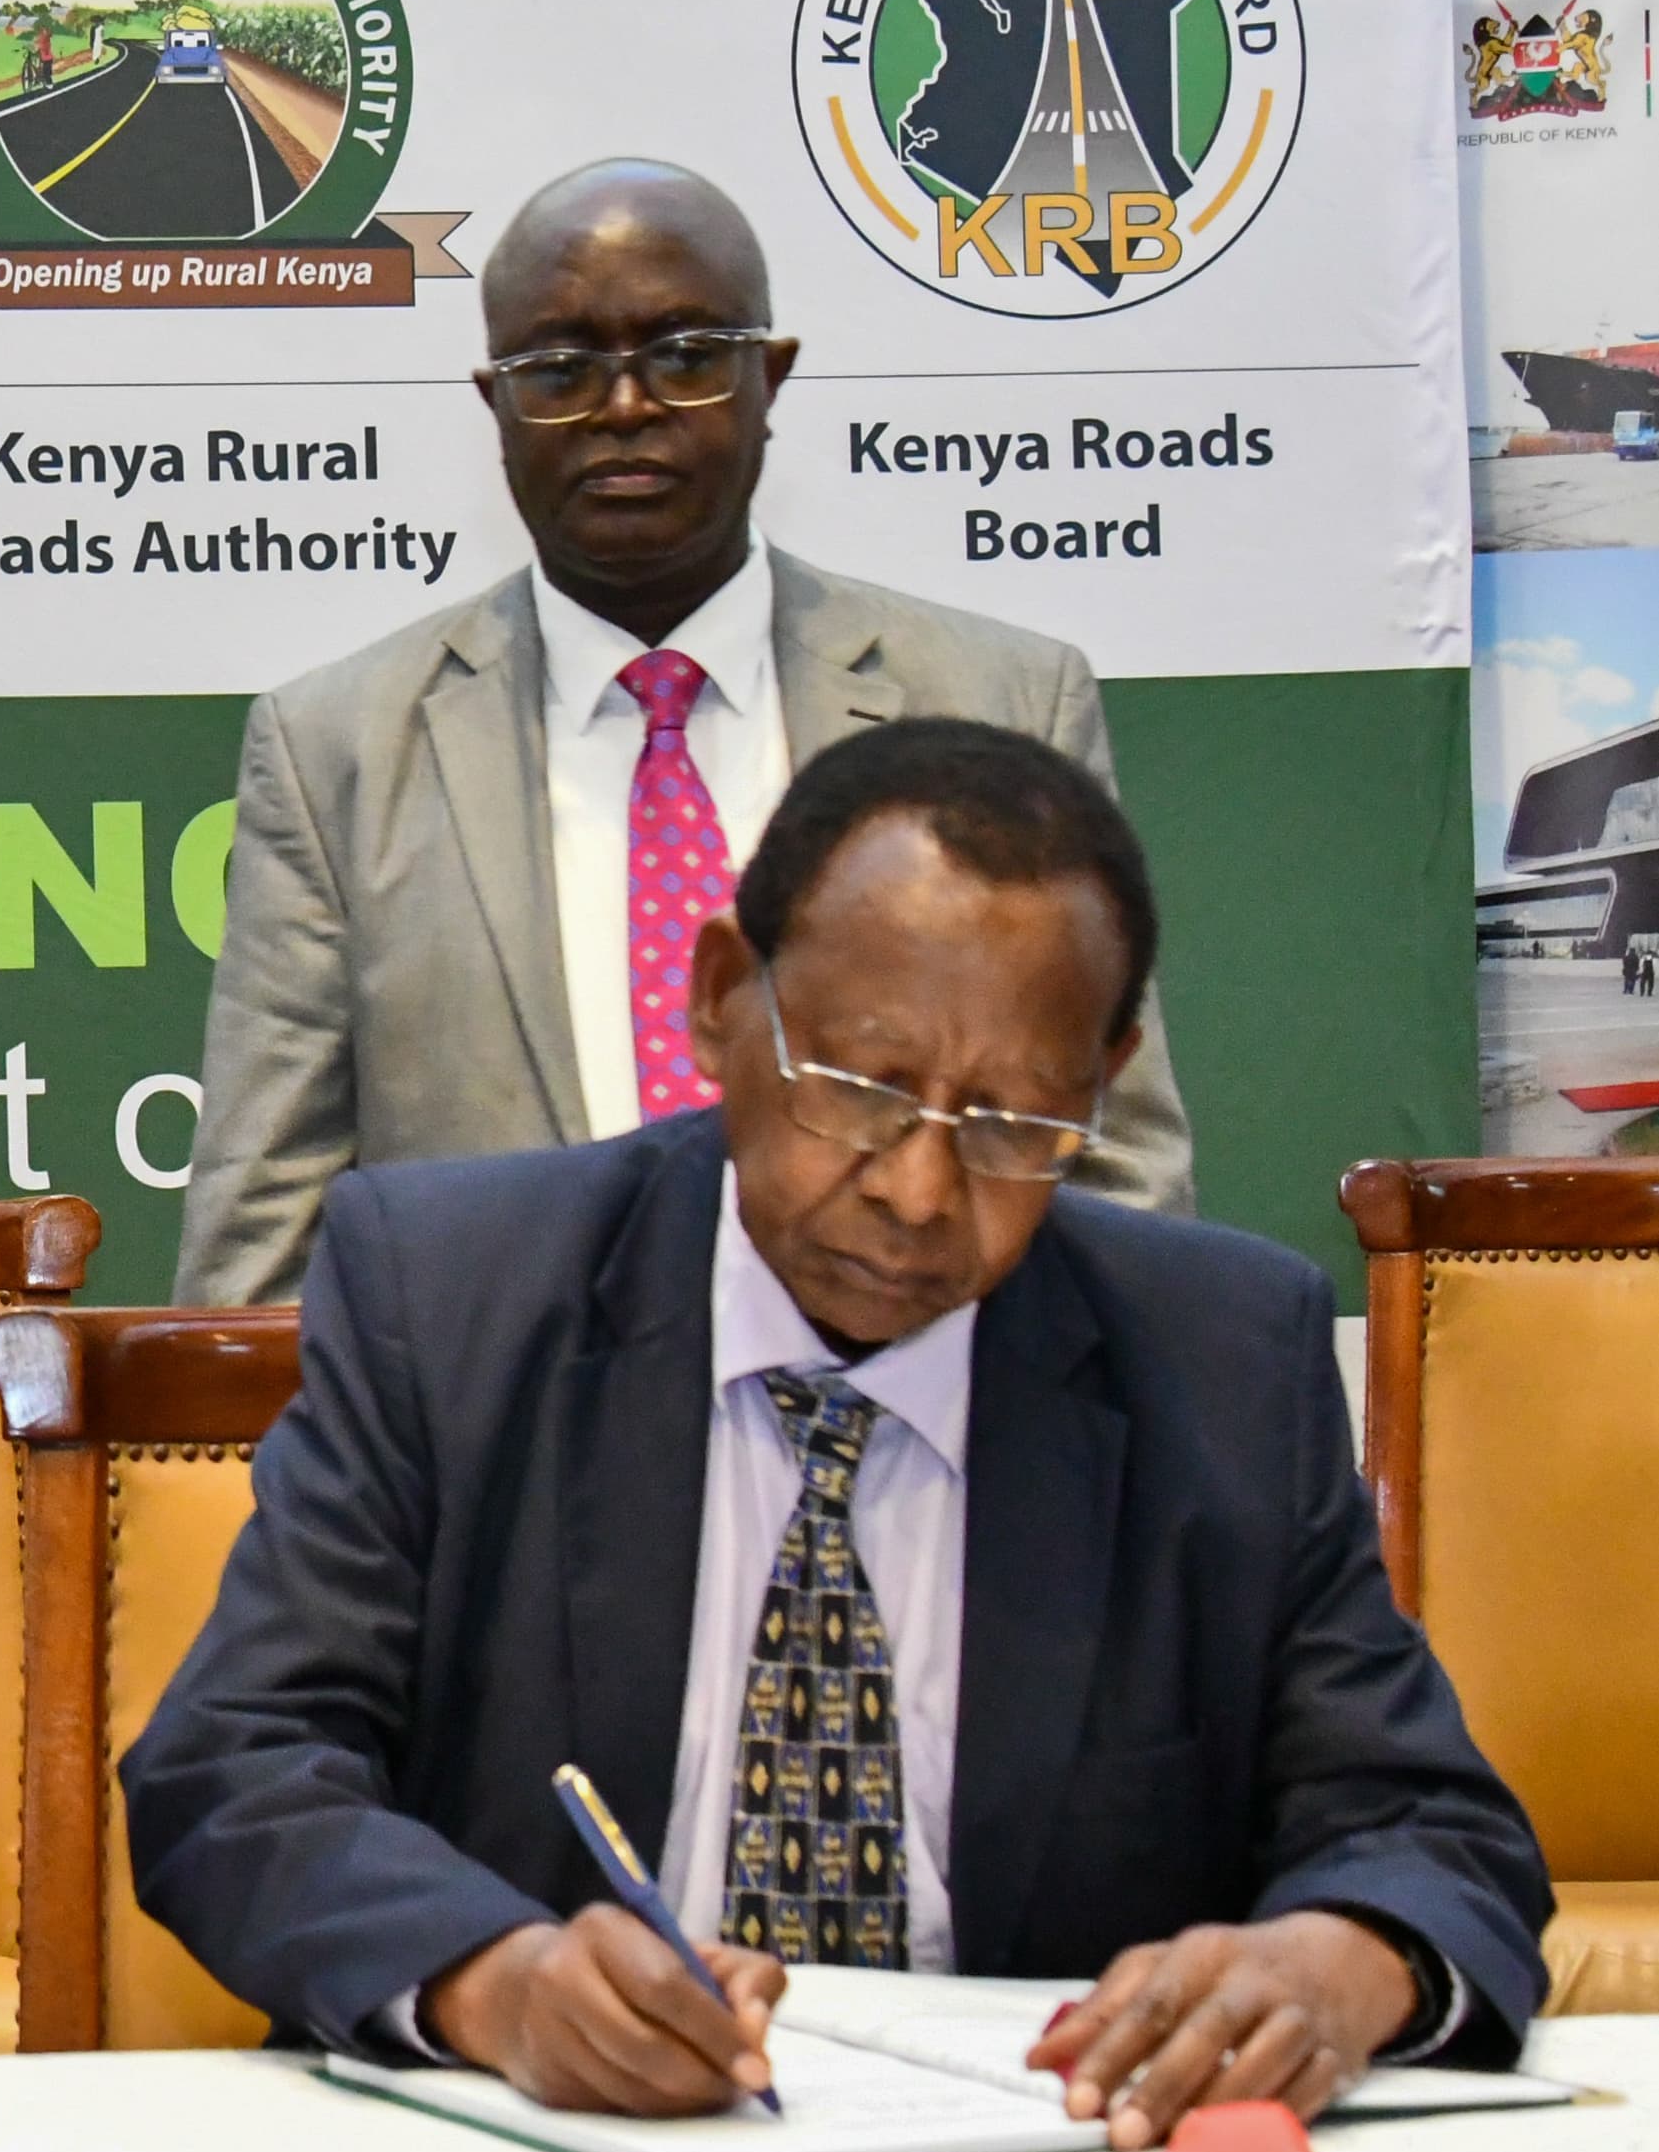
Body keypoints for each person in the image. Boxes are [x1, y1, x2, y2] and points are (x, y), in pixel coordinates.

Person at [124, 718, 1548, 2140]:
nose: (919, 1193)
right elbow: (237, 1768)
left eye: (1011, 1127)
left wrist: (1335, 1967)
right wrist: (495, 1986)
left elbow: (1431, 1833)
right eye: (863, 1091)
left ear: (1101, 1081)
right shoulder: (452, 1296)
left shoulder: (1221, 1359)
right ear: (721, 998)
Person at [173, 159, 1192, 1306]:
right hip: (494, 1415)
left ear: (770, 377)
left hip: (933, 1401)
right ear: (495, 407)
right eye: (560, 369)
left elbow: (1114, 1169)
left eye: (686, 355)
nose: (625, 409)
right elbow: (260, 1244)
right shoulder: (337, 748)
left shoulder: (998, 701)